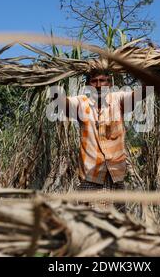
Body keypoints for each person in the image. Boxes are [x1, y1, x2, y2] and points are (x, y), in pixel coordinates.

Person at [55, 69, 150, 211]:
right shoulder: (81, 103)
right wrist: (54, 79)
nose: (99, 85)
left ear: (110, 83)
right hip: (91, 179)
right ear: (88, 85)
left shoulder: (118, 99)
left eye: (102, 80)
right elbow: (61, 102)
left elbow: (142, 93)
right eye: (94, 81)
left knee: (117, 226)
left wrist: (153, 76)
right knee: (92, 225)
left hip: (115, 177)